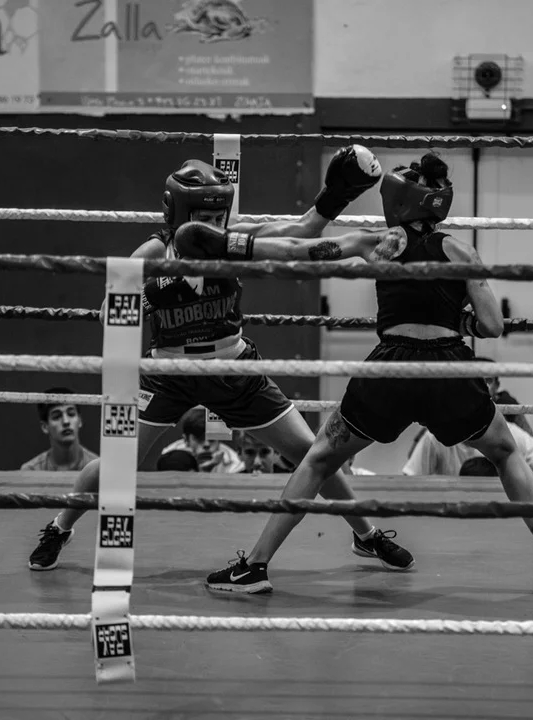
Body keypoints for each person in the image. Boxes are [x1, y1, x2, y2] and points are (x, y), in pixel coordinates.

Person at [203, 152, 533, 593]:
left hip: (391, 368)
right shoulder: (462, 252)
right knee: (504, 452)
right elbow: (492, 326)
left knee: (320, 458)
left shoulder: (377, 243)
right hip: (448, 368)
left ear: (400, 200)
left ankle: (254, 567)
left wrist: (227, 244)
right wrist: (455, 319)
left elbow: (298, 251)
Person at [28, 147, 416, 571]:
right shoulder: (151, 254)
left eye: (218, 216)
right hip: (168, 373)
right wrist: (153, 292)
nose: (214, 225)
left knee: (311, 452)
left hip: (233, 367)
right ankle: (60, 526)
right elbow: (110, 314)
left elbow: (300, 231)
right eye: (205, 217)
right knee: (117, 463)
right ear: (179, 212)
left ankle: (366, 535)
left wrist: (336, 195)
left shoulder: (233, 242)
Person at [401, 357, 533, 477]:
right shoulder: (435, 436)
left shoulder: (508, 429)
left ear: (497, 386)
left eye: (488, 381)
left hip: (495, 496)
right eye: (477, 381)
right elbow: (411, 475)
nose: (482, 387)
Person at [20, 388, 98, 471]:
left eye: (71, 414)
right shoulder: (31, 470)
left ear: (80, 420)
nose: (66, 421)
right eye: (56, 416)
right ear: (44, 427)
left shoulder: (98, 468)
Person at [155, 407, 244, 473]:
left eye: (212, 439)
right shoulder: (170, 457)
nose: (206, 445)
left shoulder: (235, 463)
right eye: (199, 439)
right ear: (186, 440)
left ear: (219, 439)